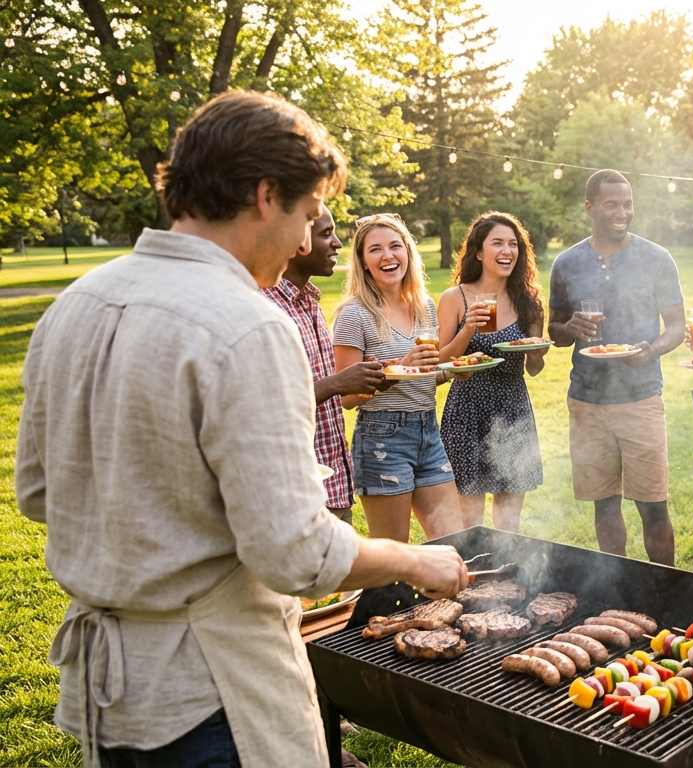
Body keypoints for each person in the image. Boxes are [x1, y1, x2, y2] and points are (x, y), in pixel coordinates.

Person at [16, 90, 468, 767]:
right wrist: (416, 559)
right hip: (214, 696)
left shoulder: (75, 303)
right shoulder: (250, 325)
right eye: (308, 215)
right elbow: (297, 556)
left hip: (109, 697)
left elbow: (37, 493)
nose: (301, 241)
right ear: (265, 195)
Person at [548, 170, 686, 565]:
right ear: (590, 208)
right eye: (612, 204)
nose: (622, 212)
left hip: (640, 396)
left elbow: (675, 326)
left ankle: (664, 588)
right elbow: (554, 331)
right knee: (604, 505)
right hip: (587, 401)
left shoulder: (656, 258)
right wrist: (570, 327)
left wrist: (652, 348)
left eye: (627, 204)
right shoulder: (567, 263)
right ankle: (618, 584)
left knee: (653, 505)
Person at [333, 213, 469, 543]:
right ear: (364, 262)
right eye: (375, 249)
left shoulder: (424, 304)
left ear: (408, 251)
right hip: (382, 437)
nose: (388, 256)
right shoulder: (354, 314)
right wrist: (400, 367)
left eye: (395, 246)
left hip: (428, 432)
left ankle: (439, 598)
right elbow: (346, 398)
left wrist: (451, 371)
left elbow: (423, 375)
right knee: (392, 559)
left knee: (455, 546)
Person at [263, 206, 387, 523]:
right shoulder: (265, 311)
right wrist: (339, 383)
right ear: (295, 241)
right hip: (293, 492)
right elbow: (266, 405)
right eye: (326, 234)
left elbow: (327, 385)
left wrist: (367, 378)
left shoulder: (311, 303)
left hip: (332, 483)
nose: (338, 244)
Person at [437, 212, 547, 531]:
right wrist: (467, 329)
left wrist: (538, 353)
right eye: (497, 243)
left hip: (513, 410)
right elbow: (441, 361)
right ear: (478, 252)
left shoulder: (528, 302)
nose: (507, 251)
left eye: (513, 244)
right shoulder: (454, 298)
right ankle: (469, 578)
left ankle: (506, 576)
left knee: (509, 520)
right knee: (469, 519)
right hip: (466, 412)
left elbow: (535, 369)